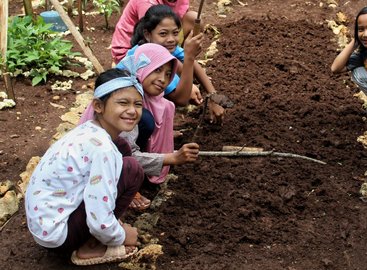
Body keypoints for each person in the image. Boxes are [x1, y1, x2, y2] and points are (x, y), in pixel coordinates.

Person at [25, 68, 145, 265]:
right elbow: (99, 222)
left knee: (122, 147)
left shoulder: (88, 130)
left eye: (138, 104)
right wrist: (121, 235)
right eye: (123, 103)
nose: (132, 110)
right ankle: (92, 245)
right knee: (132, 169)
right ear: (98, 106)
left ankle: (101, 227)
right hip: (59, 235)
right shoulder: (103, 150)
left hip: (45, 224)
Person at [80, 43, 200, 210]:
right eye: (157, 70)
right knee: (136, 145)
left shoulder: (148, 98)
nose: (163, 79)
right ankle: (123, 187)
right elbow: (123, 156)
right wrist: (171, 158)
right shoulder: (124, 106)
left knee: (159, 110)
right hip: (92, 174)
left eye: (167, 74)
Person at [130, 4, 225, 124]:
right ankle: (156, 130)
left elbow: (194, 66)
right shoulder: (145, 56)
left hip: (138, 105)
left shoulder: (165, 46)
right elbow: (181, 99)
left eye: (175, 33)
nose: (171, 39)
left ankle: (162, 128)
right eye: (163, 34)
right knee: (164, 106)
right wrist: (189, 56)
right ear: (148, 34)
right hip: (129, 113)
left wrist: (214, 97)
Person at [111, 0, 196, 64]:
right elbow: (149, 42)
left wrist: (189, 56)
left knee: (193, 19)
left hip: (160, 40)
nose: (171, 39)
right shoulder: (146, 3)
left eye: (175, 33)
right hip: (132, 51)